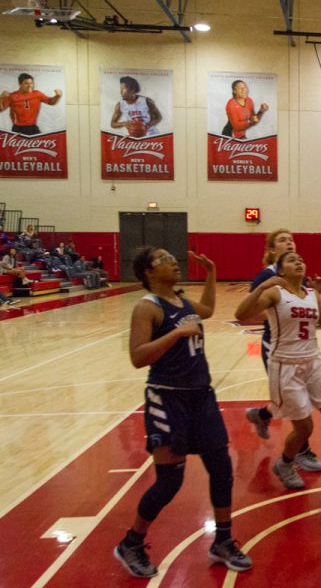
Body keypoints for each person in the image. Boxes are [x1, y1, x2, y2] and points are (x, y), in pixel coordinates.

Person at [114, 248, 251, 578]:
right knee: (169, 482)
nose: (173, 261)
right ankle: (131, 543)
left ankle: (222, 540)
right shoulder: (148, 308)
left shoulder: (182, 301)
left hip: (201, 398)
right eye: (164, 259)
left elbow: (208, 309)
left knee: (221, 468)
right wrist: (176, 333)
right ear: (148, 271)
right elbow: (137, 357)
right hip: (167, 400)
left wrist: (212, 275)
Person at [235, 251, 321, 493]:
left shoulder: (312, 294)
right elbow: (241, 314)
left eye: (301, 259)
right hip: (285, 366)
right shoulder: (275, 293)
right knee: (305, 428)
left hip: (314, 362)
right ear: (281, 271)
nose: (298, 262)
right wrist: (262, 286)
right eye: (291, 260)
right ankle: (284, 464)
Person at [244, 229, 321, 473]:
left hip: (303, 348)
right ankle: (302, 452)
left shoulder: (297, 274)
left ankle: (261, 414)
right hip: (276, 347)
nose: (289, 242)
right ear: (271, 250)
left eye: (291, 239)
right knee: (298, 404)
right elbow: (249, 309)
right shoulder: (266, 276)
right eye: (282, 240)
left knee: (299, 398)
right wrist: (276, 316)